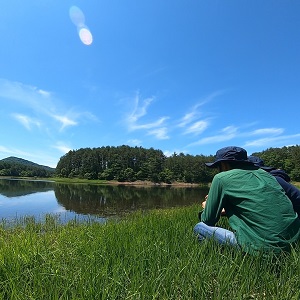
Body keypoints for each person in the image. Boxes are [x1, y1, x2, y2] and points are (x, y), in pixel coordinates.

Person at [194, 146, 300, 256]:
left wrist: (207, 206)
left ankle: (225, 258)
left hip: (263, 251)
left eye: (217, 166)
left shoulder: (221, 178)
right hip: (293, 245)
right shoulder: (267, 175)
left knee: (200, 227)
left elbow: (208, 220)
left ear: (224, 164)